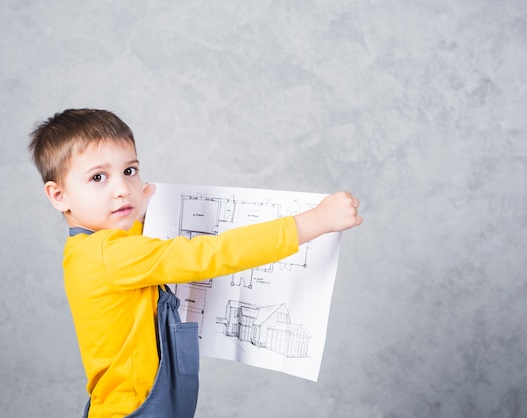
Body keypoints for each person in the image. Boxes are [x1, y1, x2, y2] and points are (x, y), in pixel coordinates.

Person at [29, 108, 362, 418]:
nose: (123, 189)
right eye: (98, 178)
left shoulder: (102, 248)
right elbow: (212, 253)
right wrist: (314, 222)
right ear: (59, 195)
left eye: (129, 171)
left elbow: (140, 252)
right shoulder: (107, 254)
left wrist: (145, 216)